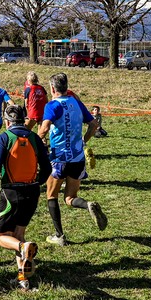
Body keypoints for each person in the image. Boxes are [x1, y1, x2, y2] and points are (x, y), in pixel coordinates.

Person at [0, 105, 51, 290]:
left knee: (0, 237)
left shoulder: (5, 137)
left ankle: (24, 249)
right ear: (24, 120)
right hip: (32, 192)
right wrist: (37, 182)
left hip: (11, 193)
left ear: (6, 122)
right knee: (18, 235)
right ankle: (23, 279)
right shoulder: (34, 137)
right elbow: (47, 167)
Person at [38, 73, 105, 246]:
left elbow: (44, 128)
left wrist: (35, 143)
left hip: (59, 158)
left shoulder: (52, 105)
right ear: (66, 87)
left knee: (51, 195)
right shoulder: (76, 102)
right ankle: (88, 204)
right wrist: (84, 140)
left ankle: (59, 235)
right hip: (77, 158)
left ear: (52, 88)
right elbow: (93, 124)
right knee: (70, 198)